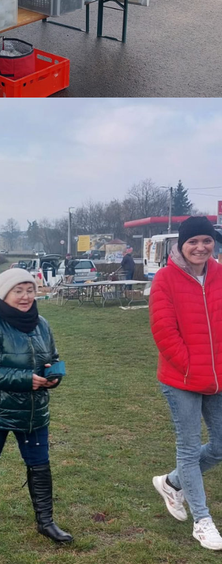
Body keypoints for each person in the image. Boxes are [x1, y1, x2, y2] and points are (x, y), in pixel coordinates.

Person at [0, 267, 71, 543]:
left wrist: (53, 376)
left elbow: (53, 357)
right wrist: (26, 380)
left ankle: (46, 521)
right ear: (4, 293)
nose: (25, 297)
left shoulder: (41, 323)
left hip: (33, 408)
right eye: (18, 291)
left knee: (39, 463)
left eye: (30, 290)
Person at [149, 217, 222, 550]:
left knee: (220, 445)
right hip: (183, 378)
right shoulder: (165, 278)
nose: (200, 248)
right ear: (181, 245)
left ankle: (172, 483)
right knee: (189, 448)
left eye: (206, 241)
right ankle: (202, 521)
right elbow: (164, 331)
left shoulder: (220, 274)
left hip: (219, 377)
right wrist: (192, 368)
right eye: (193, 242)